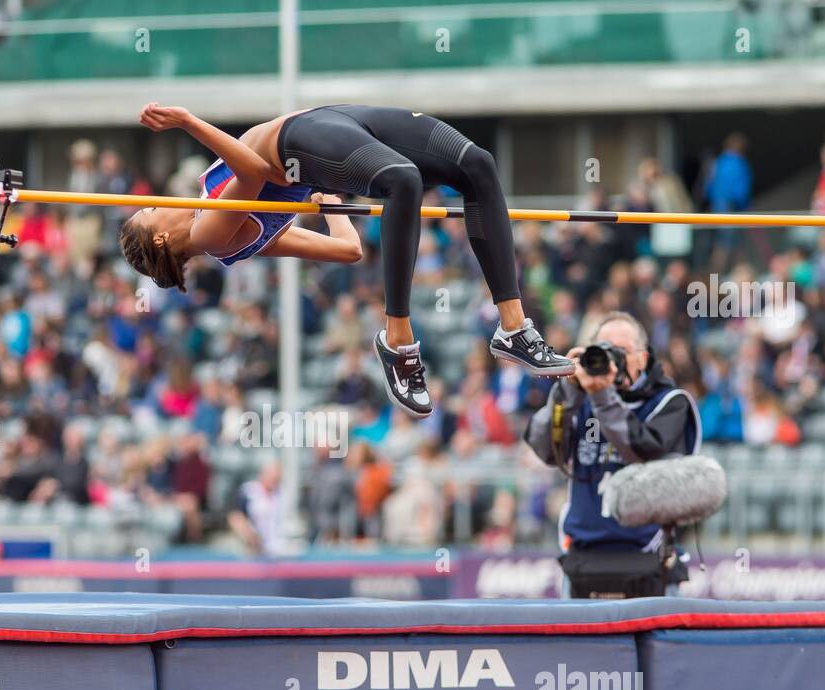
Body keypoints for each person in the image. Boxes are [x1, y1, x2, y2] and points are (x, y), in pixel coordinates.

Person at [120, 103, 574, 419]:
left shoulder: (237, 235)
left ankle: (513, 329)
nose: (157, 200)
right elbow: (254, 171)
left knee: (478, 164)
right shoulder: (211, 231)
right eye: (150, 209)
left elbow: (348, 250)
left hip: (333, 122)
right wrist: (187, 122)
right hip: (300, 142)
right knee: (403, 181)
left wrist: (334, 210)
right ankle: (398, 343)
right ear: (160, 236)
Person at [525, 311, 701, 597]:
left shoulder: (670, 402)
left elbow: (643, 455)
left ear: (643, 358)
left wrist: (603, 397)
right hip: (583, 557)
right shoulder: (579, 398)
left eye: (622, 351)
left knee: (656, 644)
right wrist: (567, 391)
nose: (612, 359)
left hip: (649, 557)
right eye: (604, 349)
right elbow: (544, 448)